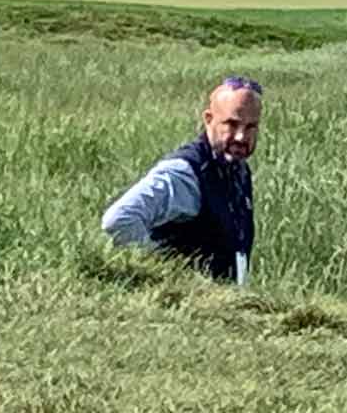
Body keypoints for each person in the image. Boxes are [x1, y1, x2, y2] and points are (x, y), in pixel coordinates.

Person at [100, 77, 262, 286]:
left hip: (217, 312)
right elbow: (120, 219)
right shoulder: (185, 173)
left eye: (251, 127)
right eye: (231, 124)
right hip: (182, 312)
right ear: (208, 119)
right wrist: (165, 274)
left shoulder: (238, 169)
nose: (241, 137)